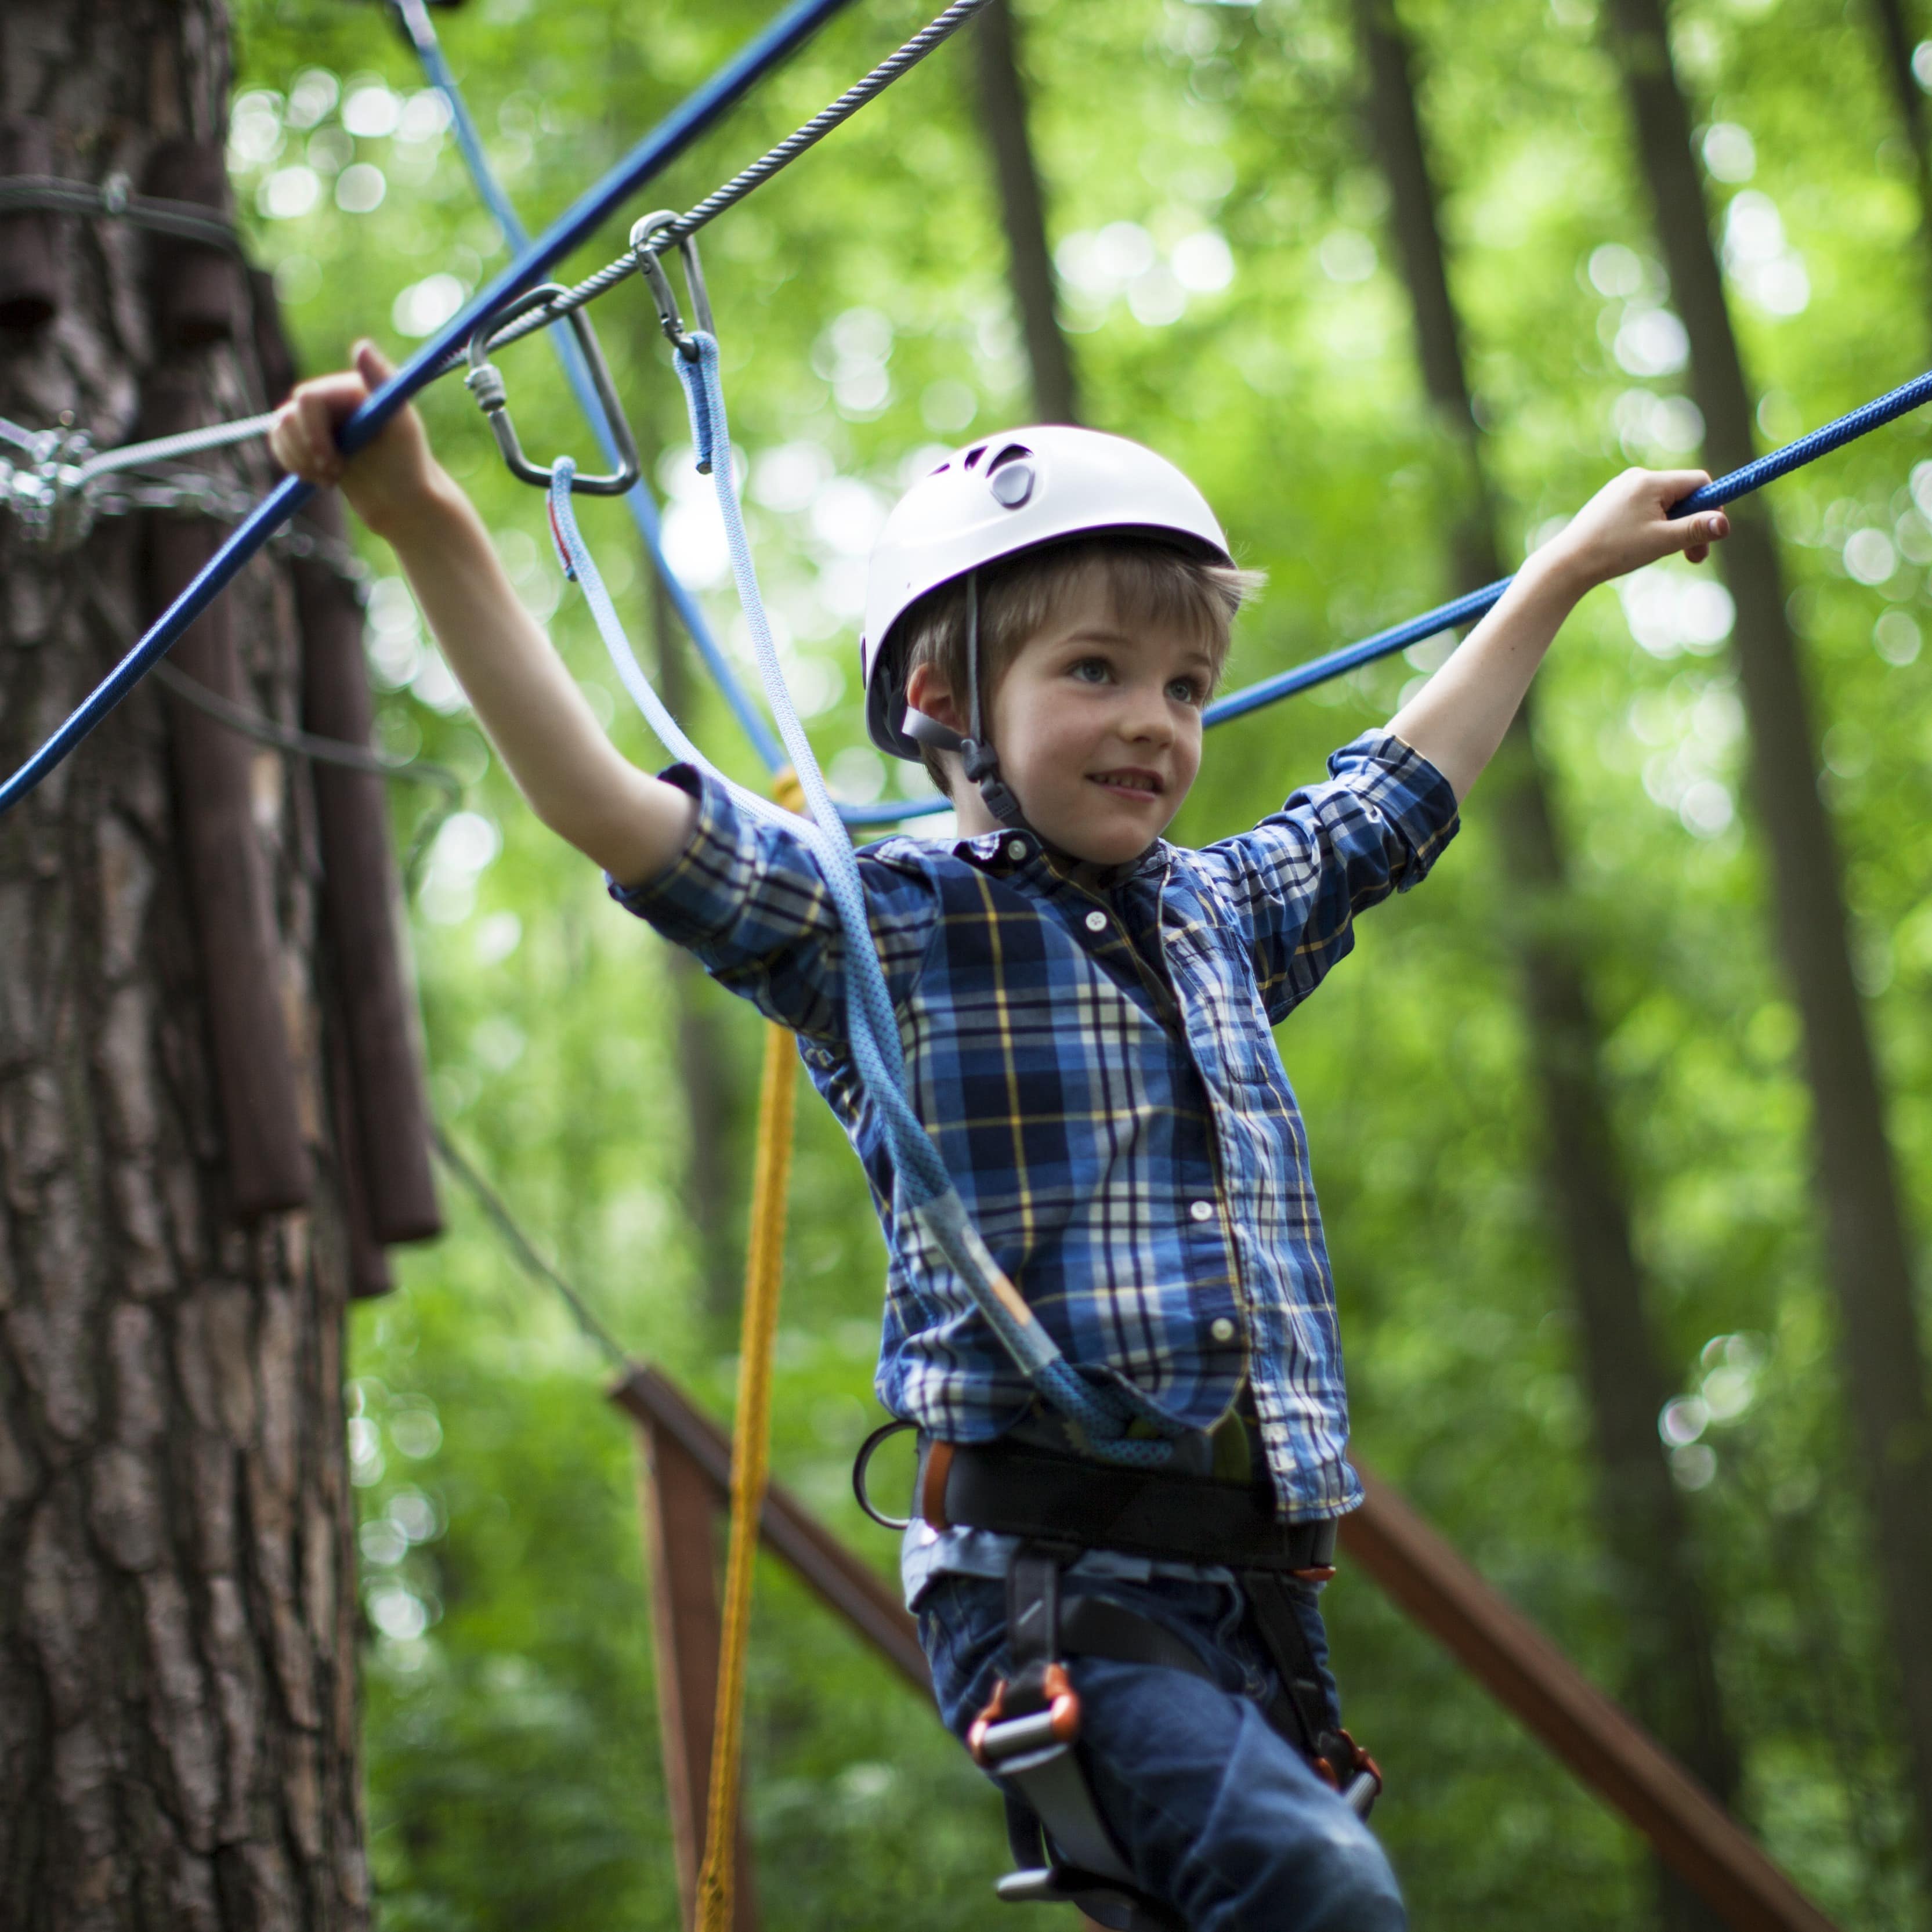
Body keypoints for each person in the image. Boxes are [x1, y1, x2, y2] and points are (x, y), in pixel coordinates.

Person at [272, 340, 1728, 1931]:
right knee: (1317, 1895)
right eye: (1093, 673)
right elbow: (606, 803)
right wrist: (425, 521)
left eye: (1184, 687)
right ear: (941, 700)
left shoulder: (1215, 916)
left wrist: (1561, 572)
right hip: (1053, 1588)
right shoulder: (883, 929)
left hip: (1255, 1595)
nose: (1155, 724)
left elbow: (1391, 794)